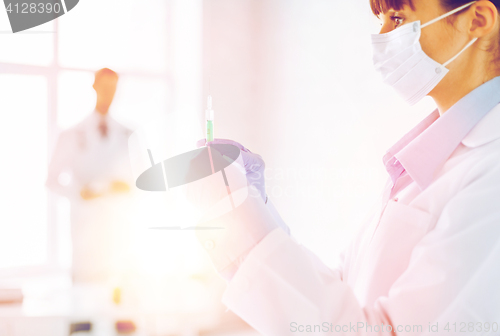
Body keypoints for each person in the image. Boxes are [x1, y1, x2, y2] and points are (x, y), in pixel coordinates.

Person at [191, 0, 500, 334]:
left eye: (397, 18)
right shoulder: (422, 166)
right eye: (381, 20)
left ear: (478, 20)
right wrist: (254, 216)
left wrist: (246, 229)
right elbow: (344, 299)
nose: (380, 36)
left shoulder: (490, 173)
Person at [46, 68, 134, 285]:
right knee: (85, 297)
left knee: (119, 299)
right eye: (104, 87)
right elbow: (51, 180)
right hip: (85, 223)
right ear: (94, 88)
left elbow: (137, 180)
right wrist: (79, 192)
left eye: (113, 88)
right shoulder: (72, 134)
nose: (109, 93)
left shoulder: (127, 134)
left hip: (118, 227)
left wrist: (125, 187)